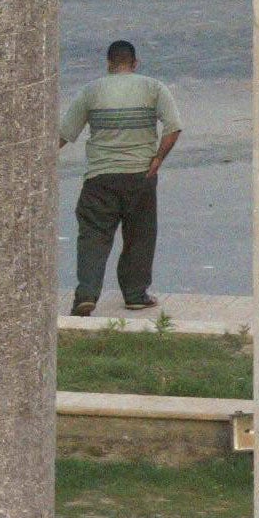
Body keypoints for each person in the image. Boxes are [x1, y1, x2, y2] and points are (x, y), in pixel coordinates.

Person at [59, 40, 182, 316]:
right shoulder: (154, 88)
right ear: (135, 63)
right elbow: (173, 127)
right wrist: (158, 159)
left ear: (109, 64)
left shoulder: (91, 92)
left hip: (100, 177)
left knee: (93, 236)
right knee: (139, 235)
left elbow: (64, 134)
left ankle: (86, 296)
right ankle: (136, 295)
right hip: (141, 176)